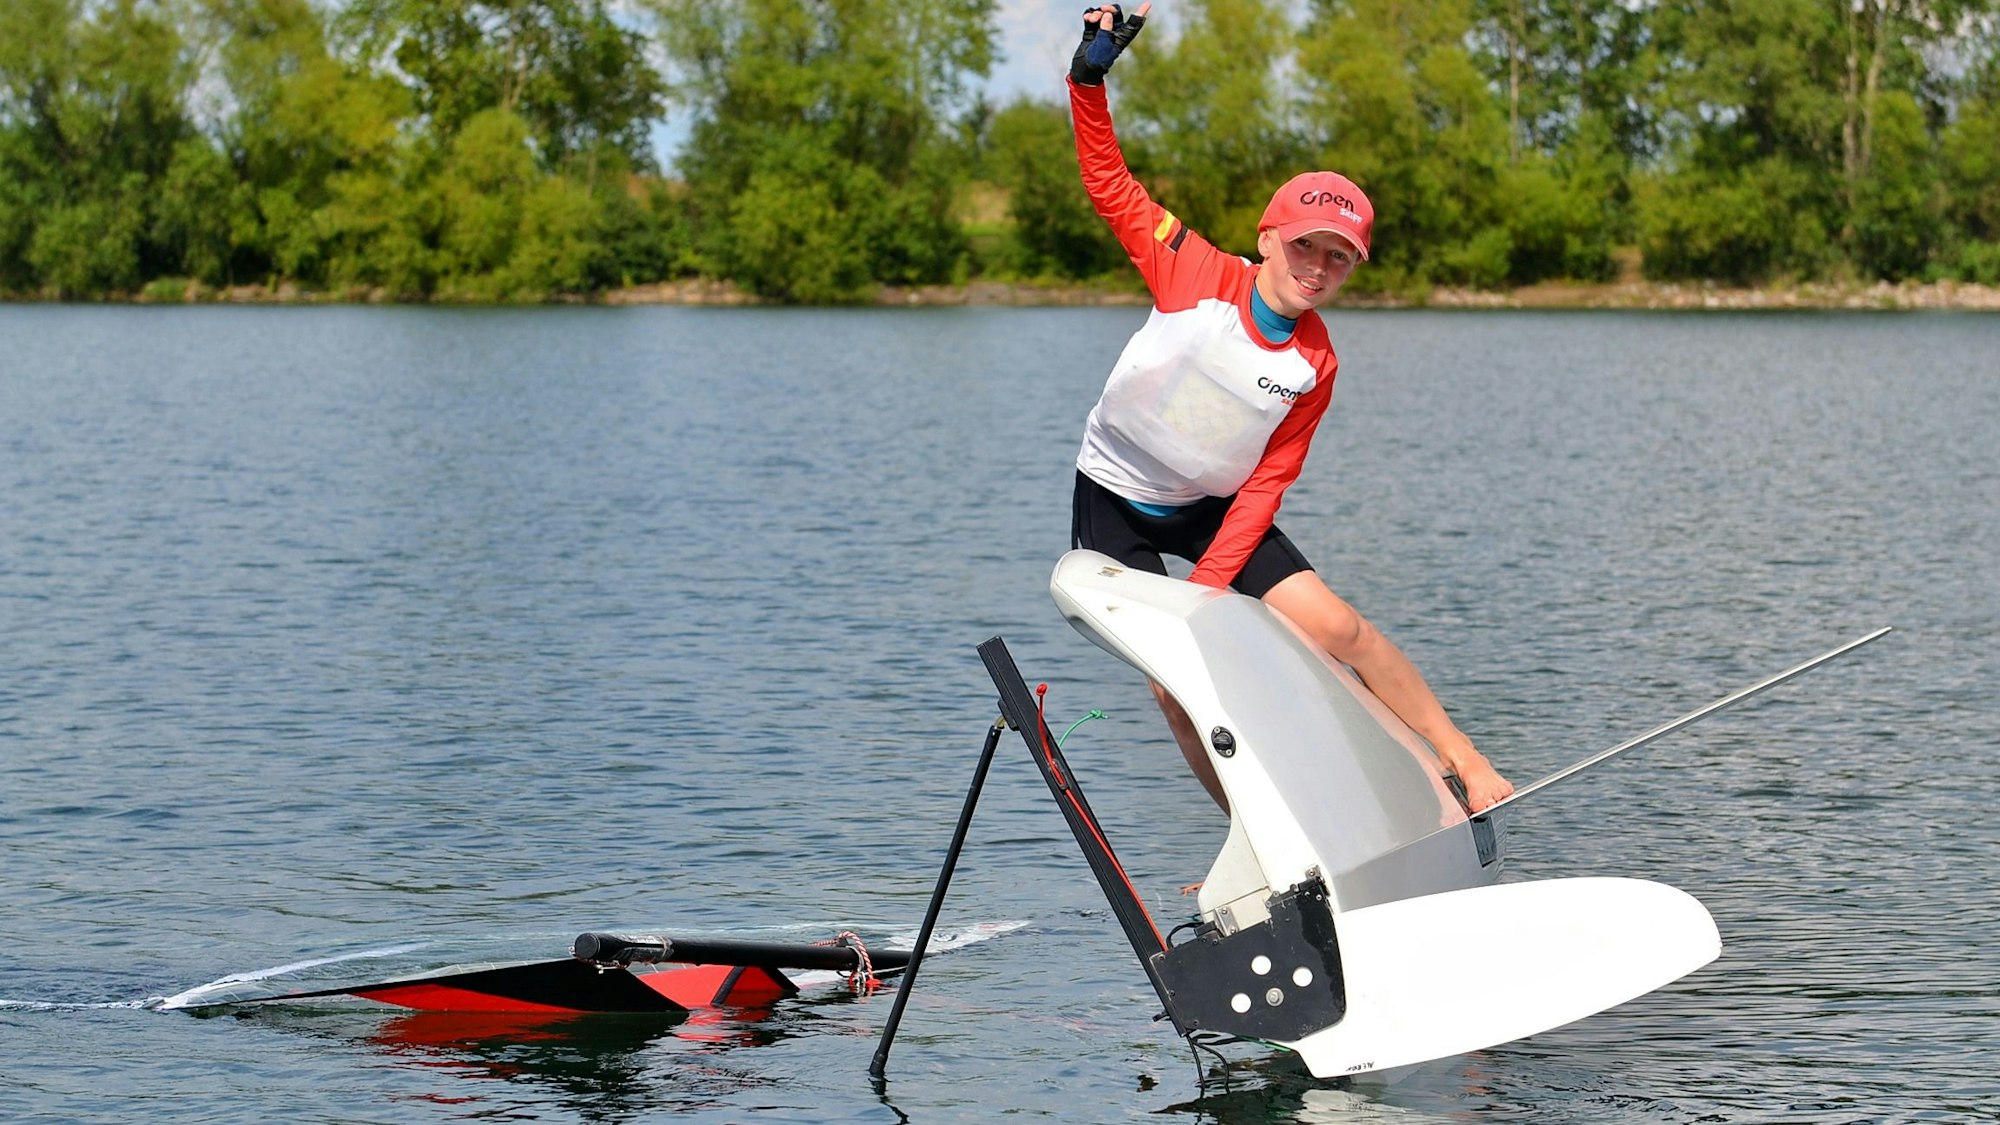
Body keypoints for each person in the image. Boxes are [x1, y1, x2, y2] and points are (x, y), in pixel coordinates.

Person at [1064, 3, 1514, 813]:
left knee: (1337, 630)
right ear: (1269, 237)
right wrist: (1087, 78)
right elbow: (1108, 183)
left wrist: (1208, 584)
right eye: (1306, 244)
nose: (1318, 266)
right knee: (1180, 684)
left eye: (1338, 258)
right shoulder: (1193, 271)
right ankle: (1265, 836)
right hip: (1116, 503)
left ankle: (1463, 763)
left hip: (1215, 509)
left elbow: (1268, 481)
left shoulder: (1317, 360)